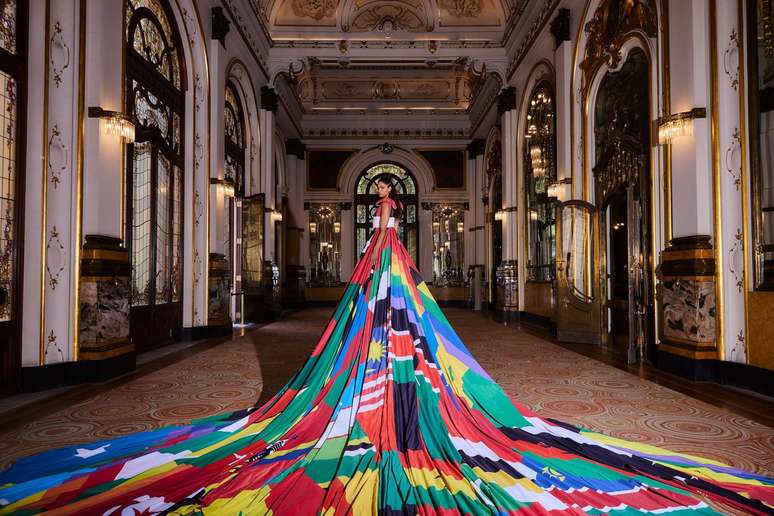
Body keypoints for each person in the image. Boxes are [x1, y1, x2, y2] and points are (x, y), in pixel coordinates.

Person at [0, 174, 772, 515]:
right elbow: (386, 302)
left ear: (385, 216)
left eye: (383, 209)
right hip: (386, 345)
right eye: (383, 209)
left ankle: (381, 405)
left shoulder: (390, 257)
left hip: (391, 344)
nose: (382, 215)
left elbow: (403, 305)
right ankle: (380, 405)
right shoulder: (384, 258)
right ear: (386, 217)